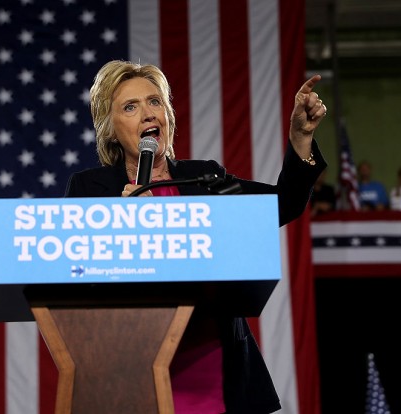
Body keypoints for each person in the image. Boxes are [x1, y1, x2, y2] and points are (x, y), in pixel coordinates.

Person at [64, 60, 328, 413]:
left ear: (168, 116)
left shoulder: (203, 178)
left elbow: (281, 205)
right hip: (130, 375)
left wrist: (300, 138)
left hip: (214, 370)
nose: (147, 114)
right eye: (130, 107)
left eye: (154, 102)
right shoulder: (88, 189)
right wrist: (117, 224)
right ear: (111, 129)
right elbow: (70, 277)